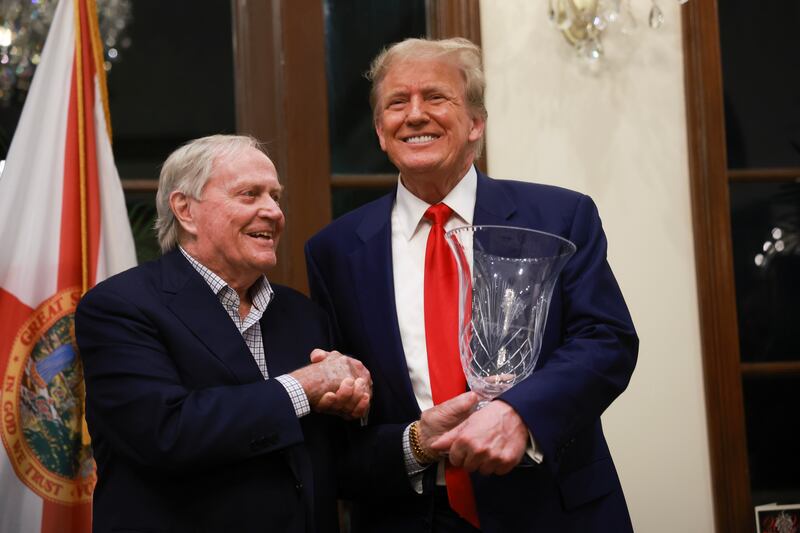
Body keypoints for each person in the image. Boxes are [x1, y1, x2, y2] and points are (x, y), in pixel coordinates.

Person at [304, 38, 638, 532]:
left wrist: (518, 415)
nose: (415, 114)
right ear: (380, 130)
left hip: (551, 508)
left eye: (436, 97)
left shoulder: (559, 216)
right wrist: (413, 444)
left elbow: (606, 341)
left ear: (476, 123)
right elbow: (343, 423)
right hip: (410, 514)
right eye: (397, 103)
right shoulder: (335, 250)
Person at [75, 135, 371, 533]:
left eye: (275, 196)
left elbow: (329, 458)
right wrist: (305, 386)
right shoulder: (119, 307)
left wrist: (399, 427)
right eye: (250, 195)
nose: (273, 212)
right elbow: (167, 434)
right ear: (185, 210)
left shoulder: (302, 314)